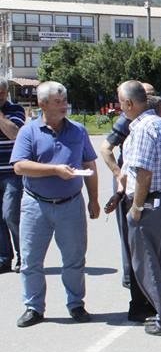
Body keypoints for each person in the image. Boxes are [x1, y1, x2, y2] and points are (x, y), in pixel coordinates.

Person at [11, 81, 99, 328]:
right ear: (42, 104)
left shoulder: (78, 130)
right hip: (35, 204)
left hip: (70, 204)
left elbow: (90, 165)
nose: (64, 106)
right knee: (30, 260)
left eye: (65, 101)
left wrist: (94, 199)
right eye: (58, 102)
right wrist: (54, 170)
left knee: (74, 258)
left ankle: (76, 304)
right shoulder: (29, 131)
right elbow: (19, 166)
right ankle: (33, 307)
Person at [117, 80, 161, 337]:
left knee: (146, 265)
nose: (120, 107)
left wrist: (136, 206)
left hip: (149, 204)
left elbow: (144, 172)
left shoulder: (143, 128)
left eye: (120, 102)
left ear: (129, 103)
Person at [101, 82, 159, 322]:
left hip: (150, 190)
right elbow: (106, 148)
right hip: (134, 189)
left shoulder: (153, 118)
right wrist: (119, 176)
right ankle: (137, 295)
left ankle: (146, 296)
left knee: (148, 247)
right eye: (148, 95)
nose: (151, 98)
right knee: (133, 244)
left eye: (153, 94)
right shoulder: (127, 121)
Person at [0, 78, 25, 275]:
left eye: (1, 93)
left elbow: (14, 133)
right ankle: (4, 258)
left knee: (11, 215)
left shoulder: (15, 110)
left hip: (11, 172)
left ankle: (23, 255)